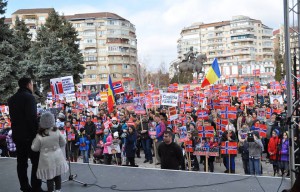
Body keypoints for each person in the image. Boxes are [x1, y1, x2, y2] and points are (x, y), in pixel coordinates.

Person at [8, 77, 44, 192]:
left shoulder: (12, 99)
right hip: (30, 136)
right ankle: (36, 187)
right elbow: (31, 118)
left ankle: (24, 187)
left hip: (18, 135)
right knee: (36, 162)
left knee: (21, 163)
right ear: (28, 84)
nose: (33, 86)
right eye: (32, 84)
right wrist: (38, 133)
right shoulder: (29, 98)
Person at [31, 112, 69, 192]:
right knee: (58, 175)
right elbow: (63, 142)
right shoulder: (57, 131)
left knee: (49, 177)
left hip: (47, 160)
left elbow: (34, 148)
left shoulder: (40, 135)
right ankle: (58, 190)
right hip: (57, 158)